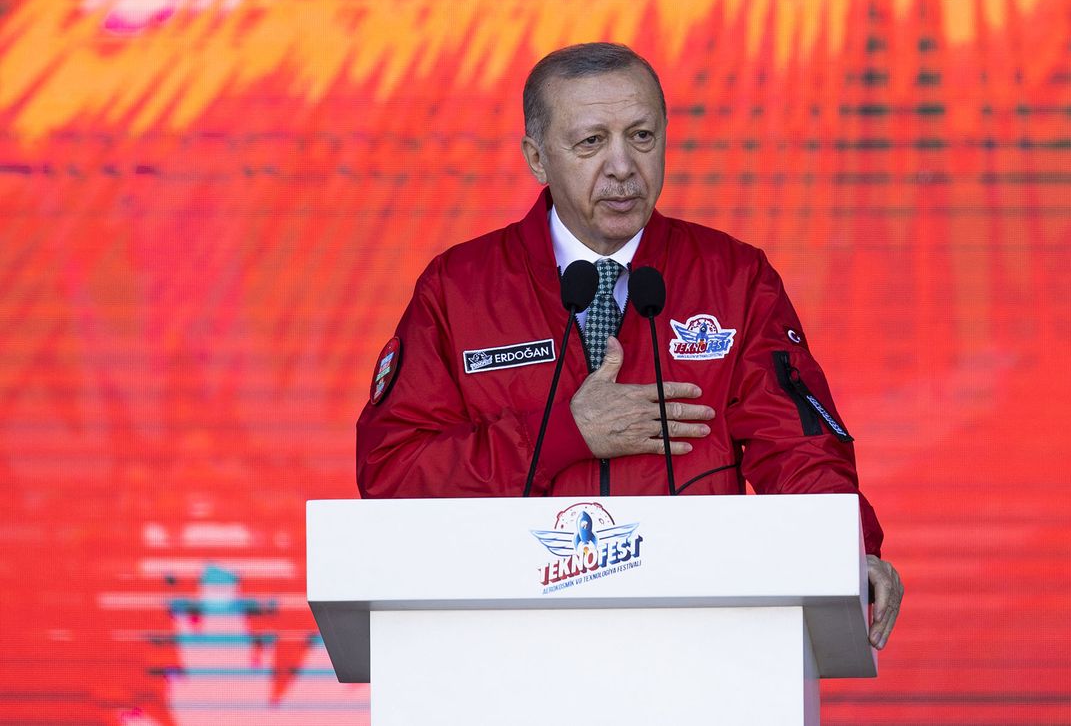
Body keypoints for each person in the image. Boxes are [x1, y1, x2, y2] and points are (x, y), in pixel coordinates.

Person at [357, 42, 903, 648]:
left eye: (641, 136)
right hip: (507, 647)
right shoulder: (459, 289)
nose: (622, 166)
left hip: (701, 643)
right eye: (591, 142)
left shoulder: (732, 276)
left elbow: (797, 447)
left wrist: (850, 549)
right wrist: (562, 433)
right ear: (537, 158)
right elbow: (393, 474)